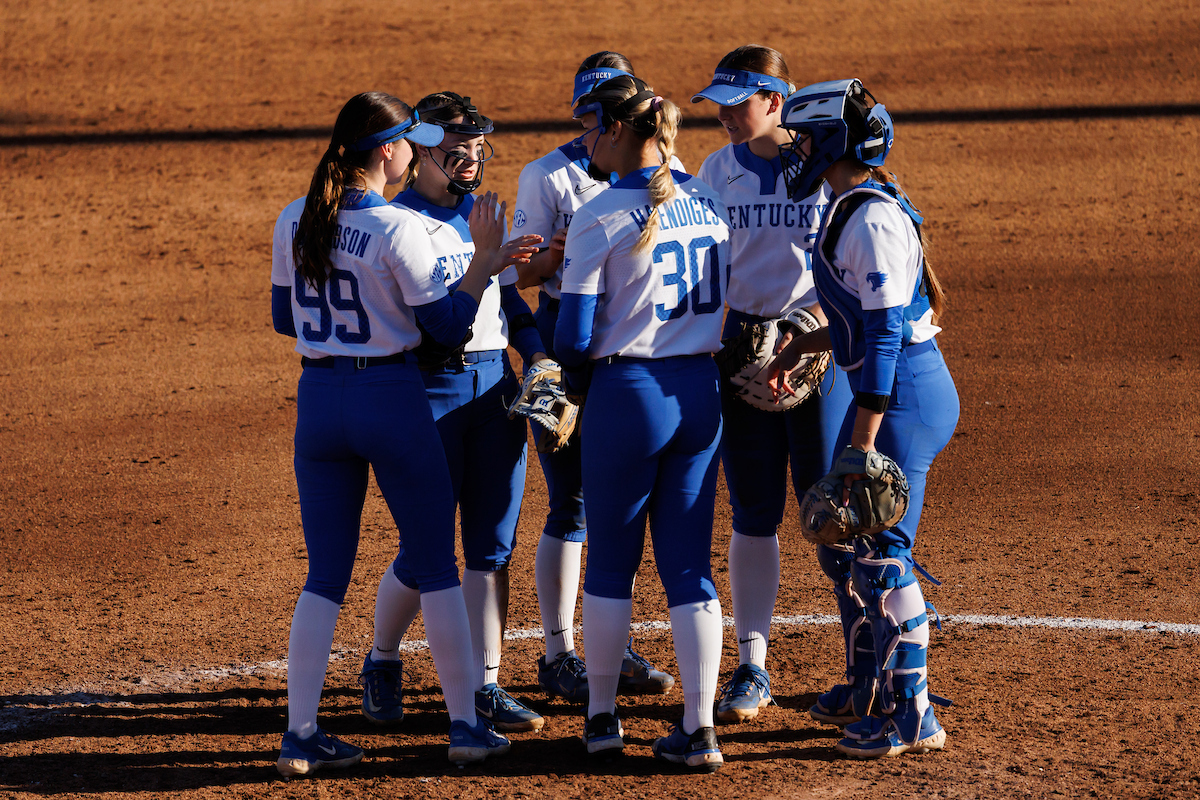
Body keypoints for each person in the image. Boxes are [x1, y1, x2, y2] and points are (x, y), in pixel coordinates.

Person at [269, 91, 539, 775]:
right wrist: (483, 264)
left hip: (318, 400)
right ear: (389, 150)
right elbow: (446, 327)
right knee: (437, 565)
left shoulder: (295, 217)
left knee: (324, 576)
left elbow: (283, 318)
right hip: (390, 398)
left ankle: (301, 735)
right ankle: (465, 725)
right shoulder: (396, 227)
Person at [769, 78, 960, 757]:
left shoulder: (871, 220)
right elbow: (863, 323)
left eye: (805, 140)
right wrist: (806, 344)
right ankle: (872, 690)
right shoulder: (850, 206)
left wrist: (861, 447)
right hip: (891, 389)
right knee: (853, 548)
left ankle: (912, 716)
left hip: (902, 397)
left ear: (833, 143)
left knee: (881, 558)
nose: (796, 150)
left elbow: (884, 337)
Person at [554, 73, 730, 772]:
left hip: (626, 396)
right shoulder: (709, 199)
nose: (586, 140)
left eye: (592, 126)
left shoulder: (598, 213)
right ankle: (700, 729)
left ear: (622, 130)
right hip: (698, 394)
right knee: (689, 566)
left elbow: (572, 340)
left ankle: (602, 718)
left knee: (610, 562)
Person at [360, 92, 548, 734]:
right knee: (426, 547)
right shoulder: (396, 222)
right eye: (456, 150)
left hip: (495, 390)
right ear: (419, 153)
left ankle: (485, 684)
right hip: (429, 390)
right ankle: (383, 659)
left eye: (476, 148)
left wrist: (538, 357)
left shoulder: (483, 214)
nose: (470, 160)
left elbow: (511, 302)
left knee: (492, 547)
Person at [509, 51, 677, 703]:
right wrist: (552, 260)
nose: (592, 127)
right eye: (588, 115)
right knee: (573, 501)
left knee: (623, 503)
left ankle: (611, 645)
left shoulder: (659, 169)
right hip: (568, 338)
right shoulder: (546, 176)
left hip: (636, 341)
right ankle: (559, 653)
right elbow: (513, 275)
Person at [691, 44, 853, 724]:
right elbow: (704, 265)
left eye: (738, 104)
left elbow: (852, 264)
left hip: (818, 350)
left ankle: (864, 660)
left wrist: (812, 323)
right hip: (740, 352)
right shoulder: (715, 170)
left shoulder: (822, 169)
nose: (725, 116)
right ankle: (752, 665)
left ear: (775, 101)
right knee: (753, 511)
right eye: (719, 106)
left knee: (837, 510)